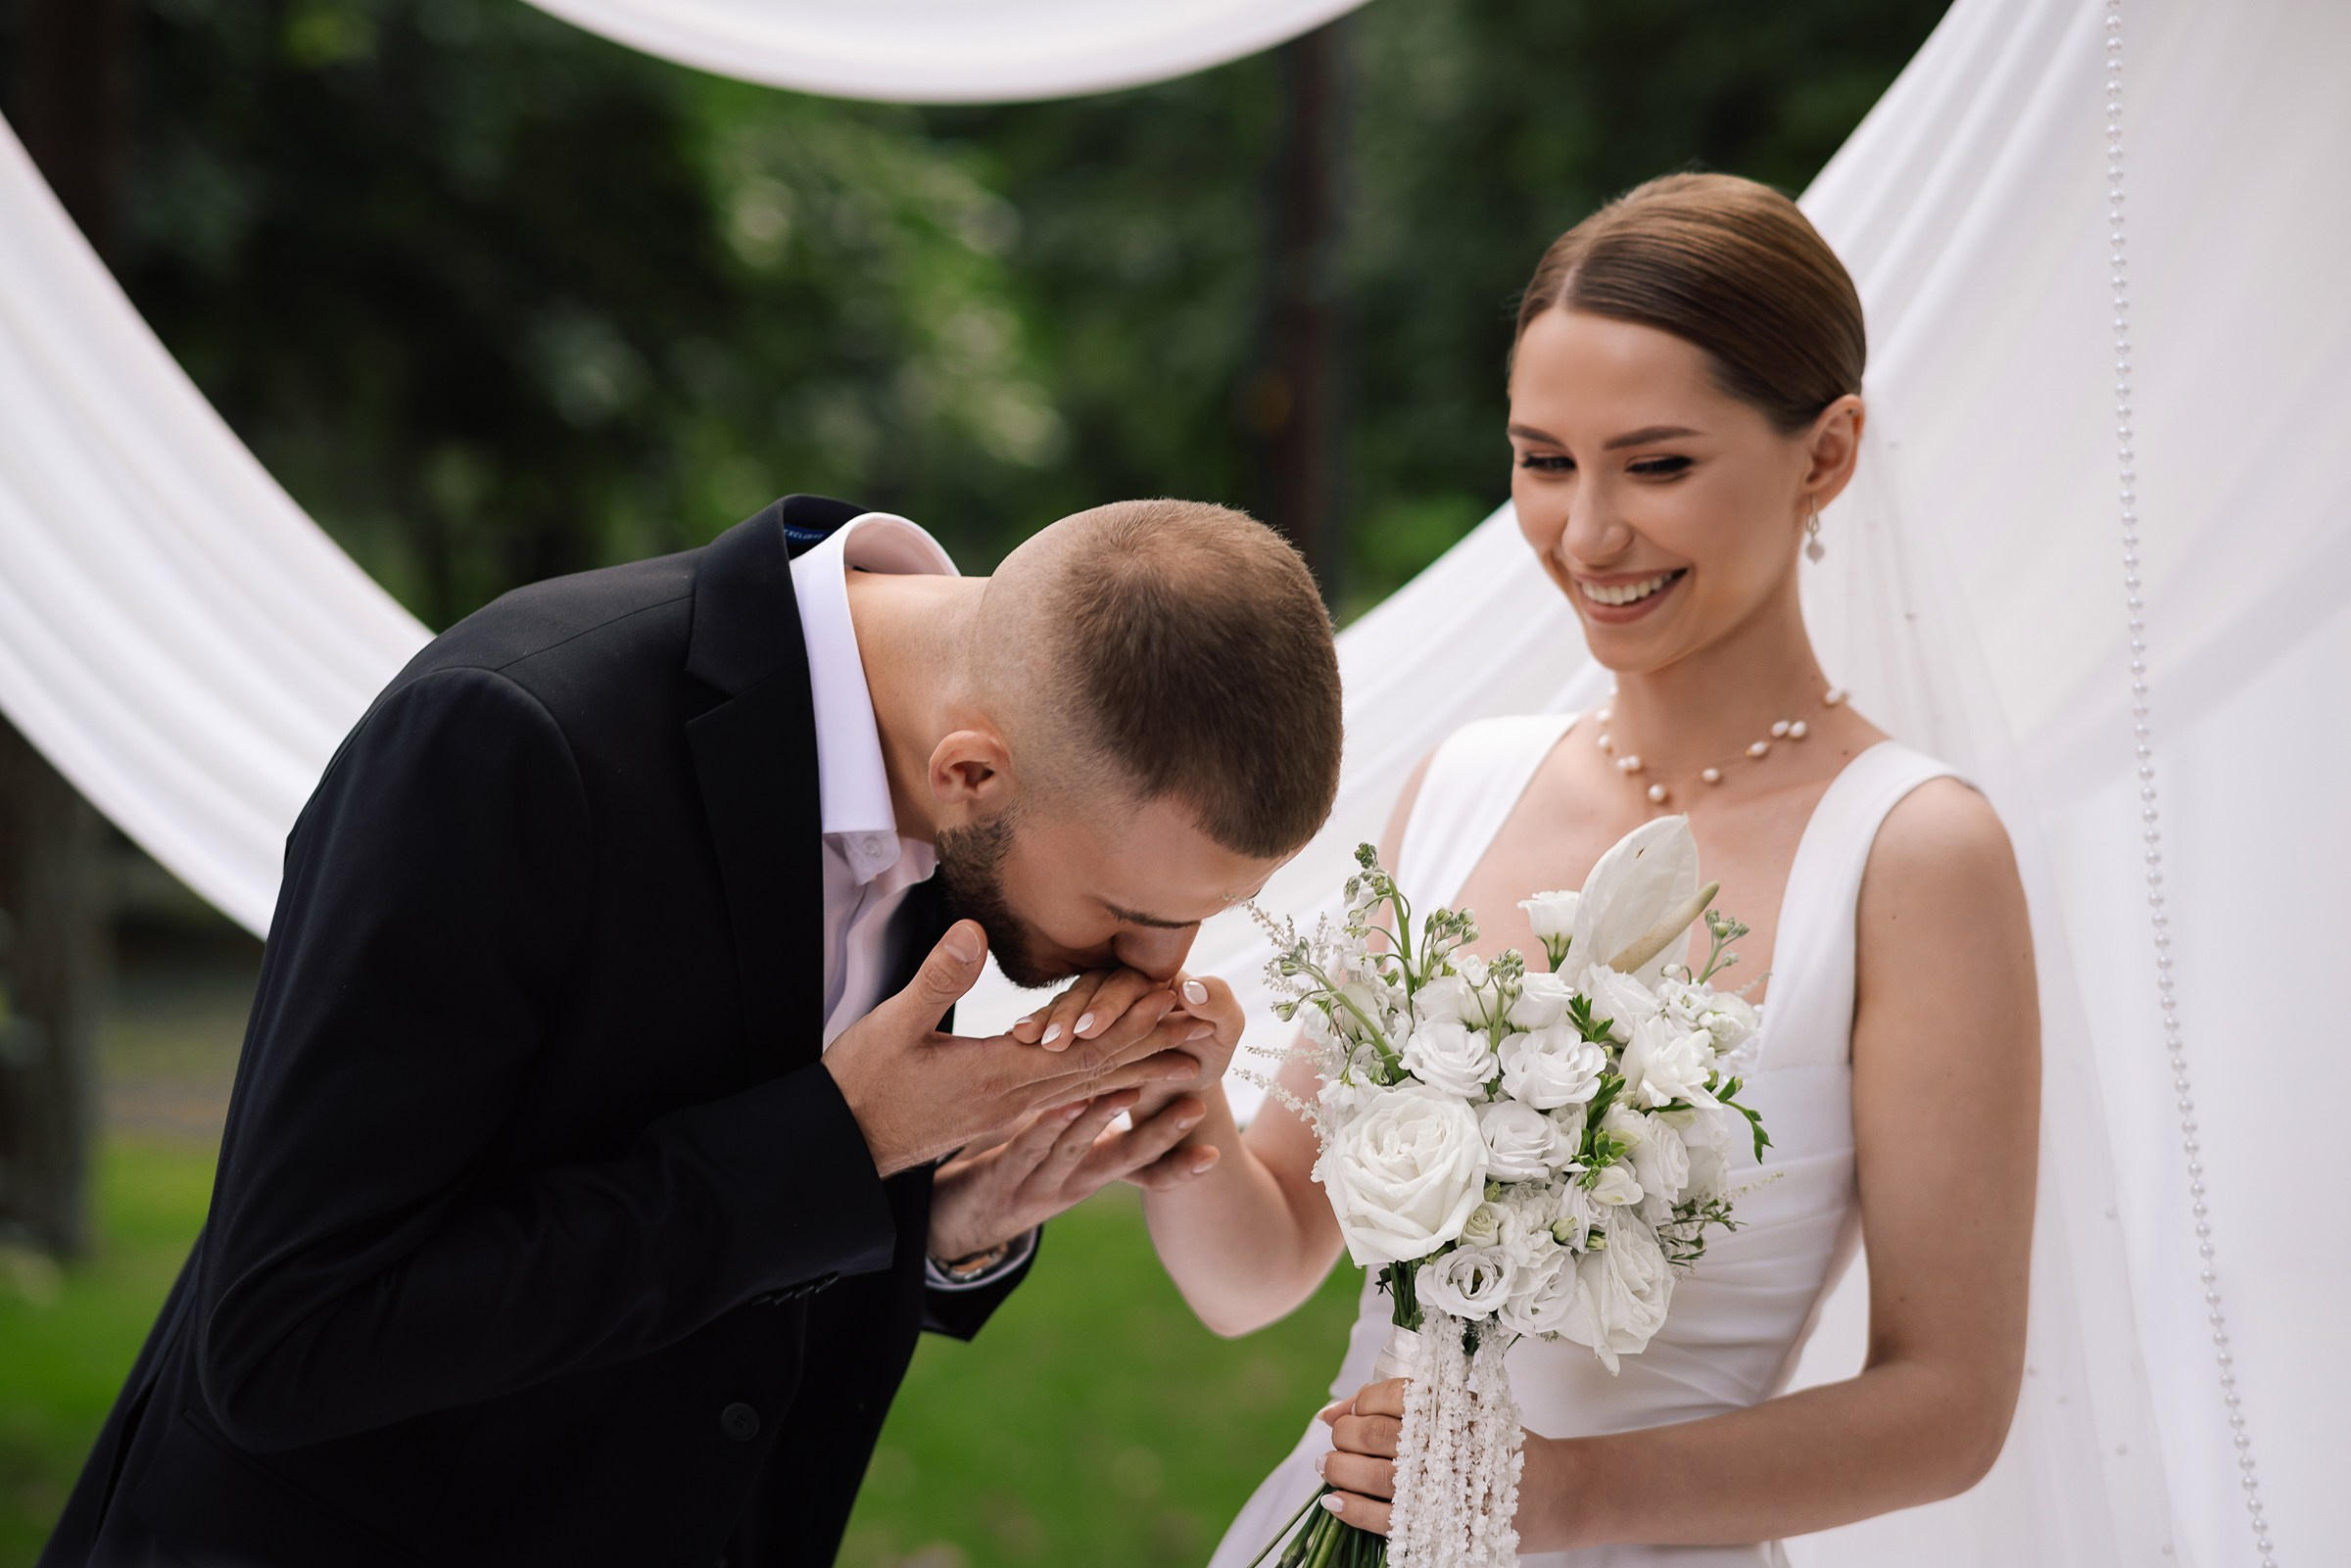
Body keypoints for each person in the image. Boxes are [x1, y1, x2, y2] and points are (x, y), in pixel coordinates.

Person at [41, 494, 1344, 1568]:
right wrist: (842, 1147)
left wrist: (940, 1225)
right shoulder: (513, 735)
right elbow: (286, 1339)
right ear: (972, 774)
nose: (1160, 963)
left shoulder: (948, 773)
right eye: (1130, 909)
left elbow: (719, 1247)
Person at [1040, 173, 2039, 1564]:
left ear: (1826, 453)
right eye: (1546, 459)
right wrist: (1184, 1112)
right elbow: (1258, 1270)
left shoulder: (1915, 853)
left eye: (1659, 463)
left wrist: (1565, 1496)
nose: (1586, 534)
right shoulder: (1463, 787)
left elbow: (1951, 1402)